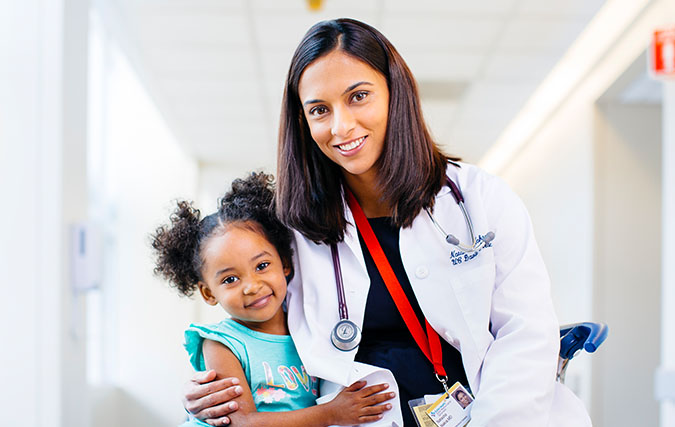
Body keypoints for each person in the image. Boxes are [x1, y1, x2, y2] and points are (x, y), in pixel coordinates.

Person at [183, 19, 592, 427]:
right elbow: (257, 321)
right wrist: (216, 390)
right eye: (320, 110)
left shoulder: (480, 200)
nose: (341, 127)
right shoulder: (295, 226)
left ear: (396, 94)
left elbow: (524, 333)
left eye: (358, 96)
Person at [152, 172, 395, 426]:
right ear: (208, 293)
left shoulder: (308, 326)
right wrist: (332, 413)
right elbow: (242, 422)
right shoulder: (221, 344)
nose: (252, 286)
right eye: (230, 279)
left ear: (286, 263)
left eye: (262, 265)